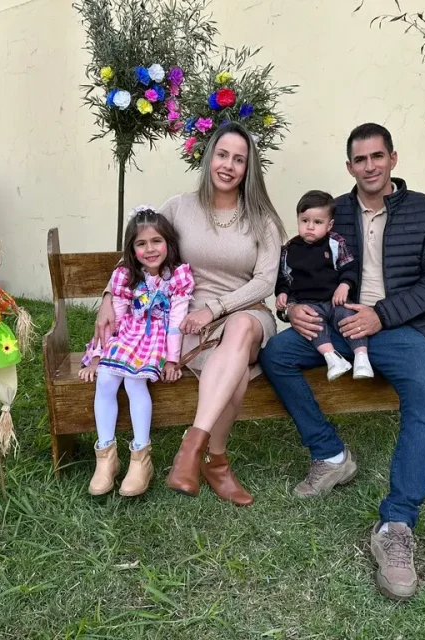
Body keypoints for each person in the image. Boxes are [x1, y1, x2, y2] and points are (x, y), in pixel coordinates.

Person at [259, 123, 425, 600]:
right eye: (360, 159)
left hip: (401, 329)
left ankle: (396, 524)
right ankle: (331, 454)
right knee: (276, 354)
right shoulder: (333, 213)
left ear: (392, 159)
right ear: (350, 166)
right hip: (337, 324)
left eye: (377, 156)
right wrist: (291, 309)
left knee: (423, 394)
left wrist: (381, 315)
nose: (370, 166)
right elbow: (296, 269)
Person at [95, 122, 285, 506]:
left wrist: (216, 308)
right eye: (222, 155)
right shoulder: (179, 207)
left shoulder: (261, 218)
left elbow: (265, 281)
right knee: (234, 374)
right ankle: (215, 460)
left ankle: (190, 448)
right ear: (209, 156)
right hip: (186, 319)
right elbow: (135, 252)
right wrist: (107, 298)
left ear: (248, 168)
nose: (228, 165)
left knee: (241, 328)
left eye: (239, 159)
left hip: (245, 311)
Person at [80, 208, 194, 498]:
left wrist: (172, 360)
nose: (150, 249)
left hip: (157, 338)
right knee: (106, 379)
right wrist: (97, 356)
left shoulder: (177, 276)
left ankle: (141, 457)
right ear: (132, 249)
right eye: (141, 244)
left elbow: (177, 321)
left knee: (134, 382)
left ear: (168, 242)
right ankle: (106, 457)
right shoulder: (125, 276)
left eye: (156, 241)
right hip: (128, 334)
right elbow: (114, 319)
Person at [275, 189, 373, 382]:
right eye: (305, 221)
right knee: (313, 326)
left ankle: (362, 358)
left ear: (329, 225)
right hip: (308, 303)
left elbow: (349, 267)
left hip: (335, 300)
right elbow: (284, 277)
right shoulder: (290, 249)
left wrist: (345, 285)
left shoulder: (335, 243)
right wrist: (283, 293)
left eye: (318, 222)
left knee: (349, 319)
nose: (310, 227)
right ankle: (332, 359)